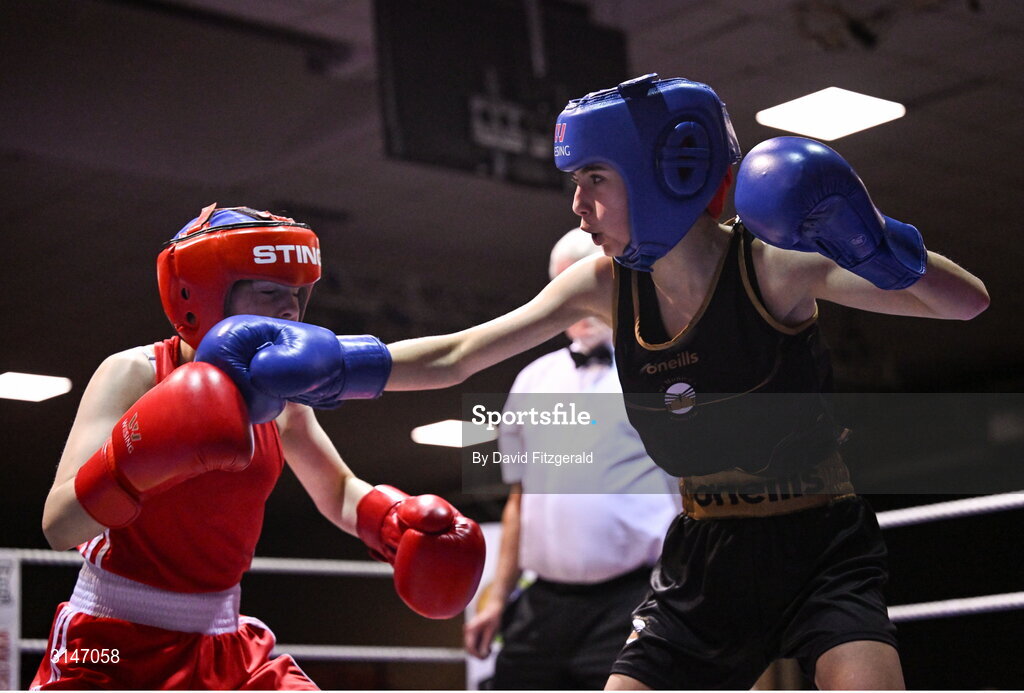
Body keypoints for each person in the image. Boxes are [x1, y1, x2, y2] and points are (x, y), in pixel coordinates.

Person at [205, 74, 988, 689]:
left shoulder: (772, 262)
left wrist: (873, 238)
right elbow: (459, 356)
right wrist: (335, 366)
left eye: (595, 179)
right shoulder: (602, 284)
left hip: (822, 540)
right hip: (707, 550)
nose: (578, 205)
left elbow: (966, 303)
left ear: (664, 171)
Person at [32, 204, 485, 690]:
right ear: (200, 294)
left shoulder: (280, 396)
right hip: (114, 642)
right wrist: (131, 462)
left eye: (296, 295)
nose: (290, 310)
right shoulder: (136, 372)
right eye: (269, 292)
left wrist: (392, 523)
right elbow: (59, 525)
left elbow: (336, 489)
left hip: (227, 642)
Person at [463, 228, 679, 689]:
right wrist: (497, 597)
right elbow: (520, 499)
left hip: (634, 596)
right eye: (567, 286)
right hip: (542, 601)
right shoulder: (531, 379)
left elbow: (690, 490)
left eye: (591, 285)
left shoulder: (658, 376)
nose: (581, 303)